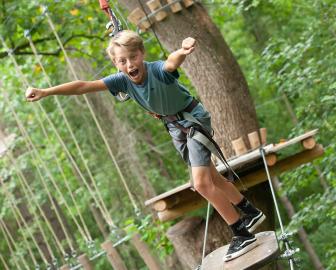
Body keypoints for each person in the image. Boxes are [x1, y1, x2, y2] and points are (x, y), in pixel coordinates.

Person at [25, 30, 265, 262]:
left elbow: (171, 63)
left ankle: (241, 233)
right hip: (174, 128)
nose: (129, 64)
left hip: (192, 121)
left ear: (142, 54)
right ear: (116, 64)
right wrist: (46, 91)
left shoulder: (157, 71)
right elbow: (82, 86)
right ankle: (250, 211)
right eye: (122, 61)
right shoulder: (121, 81)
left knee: (202, 184)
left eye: (133, 57)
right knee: (211, 178)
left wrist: (182, 51)